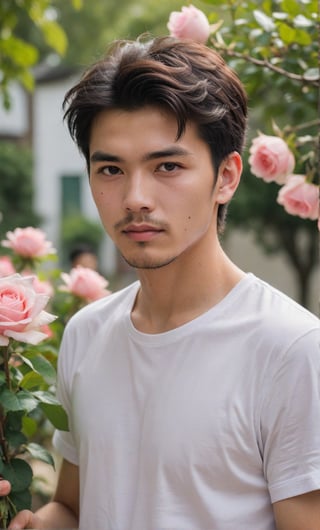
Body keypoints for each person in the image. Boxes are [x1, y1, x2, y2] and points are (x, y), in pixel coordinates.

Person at [5, 36, 320, 530]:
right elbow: (74, 505)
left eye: (167, 166)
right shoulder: (86, 333)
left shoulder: (292, 350)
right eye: (110, 168)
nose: (135, 198)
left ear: (227, 177)